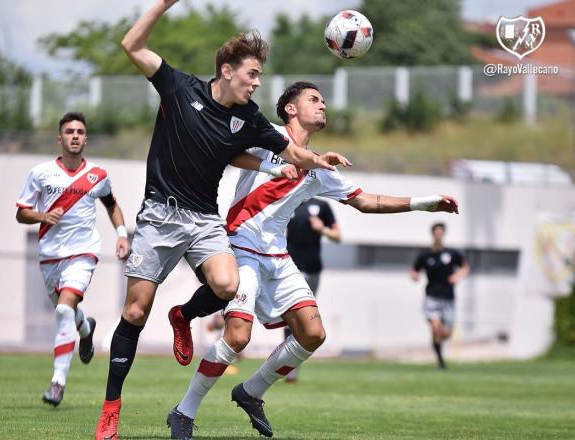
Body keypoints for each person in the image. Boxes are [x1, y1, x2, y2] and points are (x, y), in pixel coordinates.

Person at [94, 1, 350, 438]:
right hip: (159, 216)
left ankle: (184, 315)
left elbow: (289, 150)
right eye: (252, 74)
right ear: (227, 70)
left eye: (259, 77)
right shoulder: (179, 87)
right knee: (135, 311)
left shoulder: (249, 118)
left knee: (228, 285)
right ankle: (111, 406)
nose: (257, 83)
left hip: (204, 219)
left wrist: (315, 159)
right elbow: (131, 44)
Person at [167, 81, 460, 439]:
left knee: (313, 333)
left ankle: (251, 391)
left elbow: (368, 201)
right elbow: (224, 149)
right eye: (314, 100)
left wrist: (422, 202)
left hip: (277, 255)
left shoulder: (321, 168)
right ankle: (184, 411)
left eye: (323, 100)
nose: (323, 105)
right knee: (238, 336)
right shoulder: (267, 134)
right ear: (290, 109)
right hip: (241, 245)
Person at [16, 112, 130, 407]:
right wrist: (43, 215)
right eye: (69, 131)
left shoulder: (98, 175)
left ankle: (58, 383)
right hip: (50, 255)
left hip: (84, 251)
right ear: (60, 138)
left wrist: (121, 234)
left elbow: (111, 203)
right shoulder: (40, 173)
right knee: (67, 312)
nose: (75, 135)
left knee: (64, 311)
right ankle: (86, 329)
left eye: (80, 131)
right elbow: (21, 213)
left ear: (86, 138)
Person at [283, 198, 340, 382]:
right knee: (289, 318)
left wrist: (322, 229)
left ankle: (292, 365)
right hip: (290, 269)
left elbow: (337, 236)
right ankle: (288, 367)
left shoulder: (321, 206)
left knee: (305, 319)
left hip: (313, 269)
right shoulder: (287, 200)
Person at [410, 222, 469, 369]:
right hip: (431, 296)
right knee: (436, 328)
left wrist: (458, 276)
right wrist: (414, 276)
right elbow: (414, 270)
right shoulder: (425, 255)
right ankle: (441, 361)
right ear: (432, 234)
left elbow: (465, 267)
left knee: (447, 334)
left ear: (443, 234)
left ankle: (439, 350)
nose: (438, 235)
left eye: (441, 232)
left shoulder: (452, 253)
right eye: (436, 232)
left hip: (448, 297)